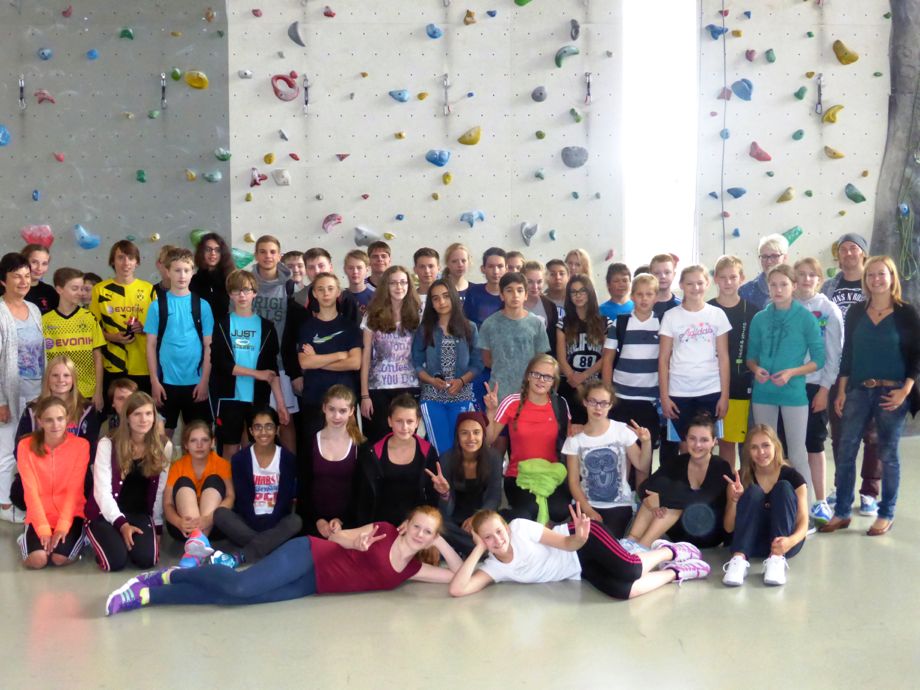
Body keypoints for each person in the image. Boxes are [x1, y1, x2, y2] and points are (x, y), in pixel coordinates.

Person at [104, 505, 462, 616]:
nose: (420, 534)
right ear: (405, 524)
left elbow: (456, 578)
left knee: (236, 600)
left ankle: (149, 595)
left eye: (428, 532)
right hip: (308, 554)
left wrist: (442, 538)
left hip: (314, 585)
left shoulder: (414, 569)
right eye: (417, 526)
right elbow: (334, 537)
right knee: (241, 585)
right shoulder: (383, 530)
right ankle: (165, 576)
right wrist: (355, 541)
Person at [821, 256, 920, 537]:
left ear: (892, 277)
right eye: (871, 275)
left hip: (892, 392)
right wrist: (841, 390)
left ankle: (886, 513)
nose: (876, 279)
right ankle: (842, 511)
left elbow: (916, 354)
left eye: (881, 274)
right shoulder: (856, 312)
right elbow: (848, 354)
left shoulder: (905, 312)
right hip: (858, 390)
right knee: (845, 450)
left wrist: (906, 390)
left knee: (888, 453)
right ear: (865, 279)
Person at [448, 503, 710, 600]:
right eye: (488, 538)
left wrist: (580, 538)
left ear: (506, 527)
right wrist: (478, 550)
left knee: (629, 569)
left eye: (498, 531)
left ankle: (669, 551)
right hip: (578, 568)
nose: (497, 540)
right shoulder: (494, 567)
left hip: (582, 537)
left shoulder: (519, 528)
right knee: (623, 591)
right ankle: (677, 572)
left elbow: (565, 543)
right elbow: (458, 589)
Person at [747, 264, 824, 504]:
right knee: (764, 452)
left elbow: (819, 360)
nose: (778, 289)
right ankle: (766, 504)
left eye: (783, 284)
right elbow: (751, 357)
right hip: (763, 393)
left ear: (794, 286)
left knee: (797, 452)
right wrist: (755, 369)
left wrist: (792, 372)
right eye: (773, 285)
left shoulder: (805, 318)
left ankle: (805, 509)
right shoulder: (760, 318)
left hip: (793, 394)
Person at [821, 232, 880, 517]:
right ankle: (841, 487)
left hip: (869, 368)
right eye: (843, 249)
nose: (848, 253)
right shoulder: (829, 286)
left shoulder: (875, 284)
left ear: (863, 253)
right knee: (841, 434)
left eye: (853, 248)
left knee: (873, 434)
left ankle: (870, 492)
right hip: (836, 368)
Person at [85, 391, 170, 572]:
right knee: (115, 562)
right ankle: (100, 535)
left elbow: (159, 491)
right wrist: (122, 524)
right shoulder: (108, 443)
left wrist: (157, 527)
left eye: (148, 413)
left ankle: (121, 542)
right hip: (105, 514)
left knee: (147, 560)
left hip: (139, 514)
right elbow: (102, 492)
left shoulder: (164, 446)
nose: (144, 419)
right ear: (127, 418)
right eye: (137, 414)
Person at [483, 354, 571, 524]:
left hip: (550, 473)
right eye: (536, 374)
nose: (541, 380)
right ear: (528, 376)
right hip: (518, 474)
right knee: (531, 510)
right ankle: (504, 518)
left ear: (553, 382)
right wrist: (491, 411)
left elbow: (569, 440)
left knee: (559, 512)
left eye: (547, 376)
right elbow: (488, 439)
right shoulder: (511, 402)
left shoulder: (560, 404)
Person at [211, 269, 288, 459]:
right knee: (230, 448)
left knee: (253, 448)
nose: (242, 295)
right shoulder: (222, 324)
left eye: (246, 290)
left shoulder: (267, 327)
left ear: (254, 293)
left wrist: (281, 404)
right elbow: (221, 364)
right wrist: (256, 374)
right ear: (230, 294)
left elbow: (271, 371)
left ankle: (249, 479)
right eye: (236, 291)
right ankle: (228, 480)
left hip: (257, 397)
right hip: (229, 397)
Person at [623, 414, 732, 550]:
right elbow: (645, 487)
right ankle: (630, 541)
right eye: (692, 438)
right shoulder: (677, 462)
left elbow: (703, 500)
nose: (697, 445)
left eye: (704, 440)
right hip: (680, 531)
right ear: (686, 439)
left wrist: (662, 499)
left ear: (714, 441)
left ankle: (641, 548)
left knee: (672, 502)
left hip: (709, 533)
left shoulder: (721, 466)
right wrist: (654, 501)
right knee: (653, 498)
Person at [10, 355, 101, 512]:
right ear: (47, 379)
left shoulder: (86, 409)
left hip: (74, 473)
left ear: (73, 379)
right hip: (40, 471)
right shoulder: (33, 409)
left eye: (66, 375)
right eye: (55, 375)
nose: (61, 380)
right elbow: (20, 448)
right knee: (19, 493)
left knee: (84, 492)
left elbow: (91, 451)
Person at [721, 424, 808, 587]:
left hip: (783, 544)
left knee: (783, 487)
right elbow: (728, 528)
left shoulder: (794, 477)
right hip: (751, 542)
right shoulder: (739, 479)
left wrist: (790, 541)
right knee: (753, 491)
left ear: (776, 446)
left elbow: (803, 522)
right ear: (748, 451)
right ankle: (738, 560)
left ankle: (776, 560)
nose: (761, 452)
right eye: (754, 447)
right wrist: (734, 500)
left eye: (766, 445)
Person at [213, 407, 301, 563]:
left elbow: (285, 500)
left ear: (277, 429)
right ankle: (270, 545)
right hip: (248, 521)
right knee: (220, 514)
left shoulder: (287, 459)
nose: (263, 432)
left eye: (269, 426)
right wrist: (260, 527)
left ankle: (243, 555)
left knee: (295, 521)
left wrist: (270, 523)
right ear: (251, 431)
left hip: (276, 521)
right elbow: (243, 500)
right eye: (258, 427)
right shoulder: (240, 459)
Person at [564, 381, 651, 537]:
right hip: (586, 503)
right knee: (584, 541)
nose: (598, 408)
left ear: (610, 405)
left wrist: (646, 442)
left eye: (604, 403)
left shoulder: (622, 431)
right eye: (593, 402)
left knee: (607, 540)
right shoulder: (575, 438)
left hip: (618, 504)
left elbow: (642, 465)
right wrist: (588, 510)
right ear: (585, 402)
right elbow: (573, 482)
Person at [793, 257, 843, 524]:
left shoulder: (828, 309)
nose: (806, 279)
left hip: (815, 385)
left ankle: (820, 501)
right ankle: (794, 500)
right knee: (790, 446)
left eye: (811, 274)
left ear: (819, 279)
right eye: (800, 274)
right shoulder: (784, 306)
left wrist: (825, 389)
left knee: (814, 444)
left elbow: (834, 353)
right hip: (788, 386)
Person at [145, 248, 214, 440]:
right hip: (166, 384)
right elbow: (150, 346)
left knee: (199, 436)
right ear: (167, 271)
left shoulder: (202, 306)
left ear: (192, 272)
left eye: (186, 270)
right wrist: (154, 381)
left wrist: (204, 381)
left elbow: (209, 346)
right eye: (177, 270)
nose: (182, 275)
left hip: (196, 383)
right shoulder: (157, 306)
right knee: (161, 437)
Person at [659, 265, 730, 447]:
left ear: (707, 284)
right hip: (679, 391)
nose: (695, 288)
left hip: (710, 390)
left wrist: (724, 396)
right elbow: (663, 359)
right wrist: (664, 397)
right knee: (685, 446)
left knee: (706, 445)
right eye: (690, 283)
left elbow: (723, 358)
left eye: (700, 283)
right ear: (681, 285)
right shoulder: (670, 316)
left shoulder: (717, 314)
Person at [15, 396, 90, 568]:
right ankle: (25, 538)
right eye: (49, 420)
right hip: (39, 513)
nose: (55, 425)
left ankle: (82, 538)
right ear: (39, 421)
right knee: (38, 560)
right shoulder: (25, 446)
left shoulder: (81, 446)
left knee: (59, 558)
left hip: (71, 514)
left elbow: (74, 491)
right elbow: (30, 491)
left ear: (68, 419)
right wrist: (42, 528)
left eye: (60, 419)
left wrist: (63, 526)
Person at [479, 272, 551, 442]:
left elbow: (541, 361)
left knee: (526, 441)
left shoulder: (536, 323)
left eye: (519, 290)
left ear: (526, 295)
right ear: (501, 295)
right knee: (497, 442)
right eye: (509, 290)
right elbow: (486, 359)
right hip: (499, 394)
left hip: (528, 394)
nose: (515, 295)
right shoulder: (490, 324)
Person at [0, 252, 45, 523]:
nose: (23, 281)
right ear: (3, 281)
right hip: (10, 394)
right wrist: (1, 401)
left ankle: (26, 500)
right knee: (7, 450)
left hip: (36, 392)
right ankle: (4, 504)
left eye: (27, 276)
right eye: (16, 276)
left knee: (30, 450)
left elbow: (41, 354)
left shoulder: (34, 309)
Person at [413, 279, 482, 455]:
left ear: (454, 297)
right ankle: (441, 474)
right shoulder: (425, 329)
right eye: (435, 298)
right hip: (432, 397)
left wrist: (461, 381)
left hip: (462, 395)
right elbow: (416, 363)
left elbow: (477, 363)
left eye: (445, 296)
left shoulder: (470, 328)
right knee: (442, 449)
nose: (441, 302)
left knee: (460, 448)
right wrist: (431, 380)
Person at [601, 273, 662, 454]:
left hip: (649, 400)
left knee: (645, 451)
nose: (644, 299)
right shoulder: (620, 323)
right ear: (632, 296)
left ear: (656, 297)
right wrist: (607, 393)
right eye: (639, 294)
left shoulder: (663, 323)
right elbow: (607, 359)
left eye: (649, 294)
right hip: (621, 397)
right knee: (620, 452)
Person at [426, 412, 502, 557]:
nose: (471, 438)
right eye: (464, 433)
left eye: (476, 432)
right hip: (454, 519)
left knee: (513, 518)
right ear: (457, 436)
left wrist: (478, 517)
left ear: (483, 435)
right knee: (437, 524)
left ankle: (465, 547)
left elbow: (494, 497)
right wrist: (444, 493)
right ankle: (482, 548)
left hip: (483, 514)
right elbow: (444, 509)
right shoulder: (446, 459)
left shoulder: (494, 458)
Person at [296, 273, 362, 440]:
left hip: (343, 401)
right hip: (314, 398)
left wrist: (317, 360)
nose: (326, 293)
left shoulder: (350, 327)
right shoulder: (307, 327)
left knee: (346, 449)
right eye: (321, 289)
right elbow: (304, 363)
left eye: (330, 289)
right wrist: (339, 355)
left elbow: (355, 363)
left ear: (338, 292)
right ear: (314, 293)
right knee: (313, 450)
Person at [354, 394, 438, 525]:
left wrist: (444, 493)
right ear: (389, 421)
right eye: (399, 421)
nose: (404, 427)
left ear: (417, 422)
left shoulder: (427, 452)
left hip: (417, 523)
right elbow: (363, 499)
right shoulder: (373, 453)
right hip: (381, 524)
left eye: (410, 421)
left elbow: (433, 498)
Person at [360, 265, 421, 443]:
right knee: (378, 442)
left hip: (409, 386)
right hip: (378, 388)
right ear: (385, 286)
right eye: (393, 283)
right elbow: (365, 356)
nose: (399, 287)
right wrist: (364, 395)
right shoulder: (372, 315)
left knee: (406, 440)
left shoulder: (418, 313)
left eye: (403, 282)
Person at [89, 240, 156, 398]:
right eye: (120, 257)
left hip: (142, 365)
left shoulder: (149, 290)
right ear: (112, 261)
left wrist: (143, 329)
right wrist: (111, 337)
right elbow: (93, 330)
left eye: (130, 258)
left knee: (140, 410)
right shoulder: (100, 290)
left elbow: (159, 328)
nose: (126, 263)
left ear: (137, 262)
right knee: (114, 411)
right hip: (112, 364)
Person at [250, 235, 297, 452]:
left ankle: (290, 469)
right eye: (262, 251)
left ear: (279, 255)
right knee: (252, 421)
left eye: (272, 252)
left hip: (280, 363)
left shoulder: (290, 286)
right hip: (251, 364)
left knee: (285, 420)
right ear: (256, 255)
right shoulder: (246, 283)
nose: (267, 256)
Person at [708, 256, 756, 465]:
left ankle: (734, 483)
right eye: (723, 277)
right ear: (715, 279)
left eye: (733, 277)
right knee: (708, 442)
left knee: (732, 442)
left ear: (742, 278)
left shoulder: (752, 311)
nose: (728, 282)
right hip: (708, 385)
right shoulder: (706, 309)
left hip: (739, 386)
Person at [300, 386, 364, 536]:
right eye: (332, 409)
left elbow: (361, 492)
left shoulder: (360, 446)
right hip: (313, 521)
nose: (336, 416)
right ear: (324, 408)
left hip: (348, 522)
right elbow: (304, 487)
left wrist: (342, 521)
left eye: (342, 411)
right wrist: (318, 520)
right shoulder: (310, 442)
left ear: (351, 411)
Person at [42, 267, 105, 411]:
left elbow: (98, 357)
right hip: (57, 391)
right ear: (59, 289)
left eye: (82, 288)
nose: (80, 293)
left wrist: (98, 392)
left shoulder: (89, 318)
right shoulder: (45, 321)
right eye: (75, 288)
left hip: (86, 392)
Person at [163, 421, 233, 542]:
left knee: (214, 480)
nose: (199, 445)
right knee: (183, 481)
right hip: (184, 529)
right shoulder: (178, 466)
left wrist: (209, 518)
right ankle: (198, 540)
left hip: (214, 524)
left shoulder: (222, 464)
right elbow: (167, 503)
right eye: (193, 441)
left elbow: (230, 497)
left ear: (212, 442)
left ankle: (197, 542)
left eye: (204, 440)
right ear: (186, 445)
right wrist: (179, 522)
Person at [556, 275, 609, 424]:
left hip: (596, 386)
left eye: (582, 291)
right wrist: (578, 384)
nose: (578, 295)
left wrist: (584, 376)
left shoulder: (605, 322)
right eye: (573, 292)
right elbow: (561, 359)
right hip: (571, 386)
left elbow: (606, 357)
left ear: (590, 292)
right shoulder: (563, 323)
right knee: (571, 429)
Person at [189, 232, 233, 323]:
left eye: (217, 250)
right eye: (208, 249)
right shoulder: (193, 281)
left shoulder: (231, 279)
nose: (213, 253)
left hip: (226, 329)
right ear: (201, 252)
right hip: (199, 329)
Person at [739, 233, 789, 310]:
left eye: (774, 256)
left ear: (785, 258)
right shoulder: (746, 292)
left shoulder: (798, 289)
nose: (769, 261)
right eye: (764, 256)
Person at [463, 247, 507, 328]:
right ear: (483, 269)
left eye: (500, 266)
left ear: (506, 269)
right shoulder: (473, 293)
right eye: (491, 266)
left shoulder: (511, 295)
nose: (496, 271)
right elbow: (466, 323)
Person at [21, 244, 58, 315]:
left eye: (44, 263)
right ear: (23, 262)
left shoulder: (50, 291)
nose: (39, 268)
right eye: (34, 262)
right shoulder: (8, 289)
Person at [648, 253, 681, 320]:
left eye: (667, 272)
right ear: (650, 275)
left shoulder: (682, 306)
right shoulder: (642, 305)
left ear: (674, 275)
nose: (662, 276)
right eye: (657, 273)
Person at [343, 249, 375, 315]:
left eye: (359, 268)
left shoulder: (375, 298)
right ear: (345, 269)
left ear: (367, 269)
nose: (355, 272)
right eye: (351, 268)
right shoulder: (339, 298)